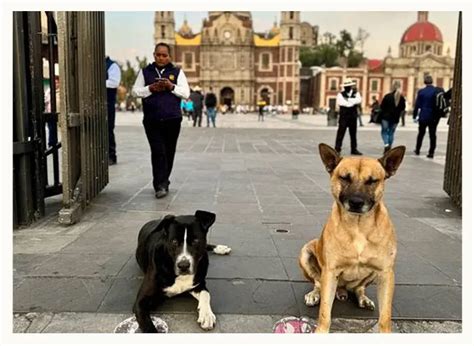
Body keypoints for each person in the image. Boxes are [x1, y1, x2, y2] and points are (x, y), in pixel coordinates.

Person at [132, 42, 190, 198]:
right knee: (158, 151)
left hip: (172, 119)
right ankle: (160, 185)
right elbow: (135, 92)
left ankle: (164, 181)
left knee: (169, 151)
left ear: (169, 56)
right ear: (154, 55)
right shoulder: (145, 72)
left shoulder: (177, 72)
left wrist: (171, 86)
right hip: (152, 120)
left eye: (164, 55)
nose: (161, 58)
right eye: (158, 55)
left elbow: (185, 93)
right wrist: (150, 89)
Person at [413, 75, 441, 159]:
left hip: (423, 115)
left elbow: (417, 105)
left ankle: (417, 149)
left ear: (425, 82)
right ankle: (431, 152)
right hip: (433, 116)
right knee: (432, 134)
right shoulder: (436, 91)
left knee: (421, 133)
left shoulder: (421, 91)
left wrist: (415, 115)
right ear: (432, 81)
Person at [334, 78, 363, 155]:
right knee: (340, 133)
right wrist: (352, 102)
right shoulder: (340, 94)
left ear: (351, 86)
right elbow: (341, 103)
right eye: (346, 86)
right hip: (343, 117)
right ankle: (337, 149)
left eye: (348, 86)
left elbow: (359, 100)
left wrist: (348, 101)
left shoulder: (356, 93)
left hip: (353, 116)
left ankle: (354, 149)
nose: (347, 87)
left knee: (353, 134)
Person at [380, 81, 406, 153]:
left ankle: (386, 144)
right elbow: (403, 108)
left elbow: (382, 106)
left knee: (384, 132)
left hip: (385, 117)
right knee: (391, 132)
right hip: (395, 118)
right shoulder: (401, 98)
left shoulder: (387, 96)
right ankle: (390, 147)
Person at [106, 56, 121, 165]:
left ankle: (111, 155)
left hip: (107, 104)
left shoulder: (112, 65)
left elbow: (114, 83)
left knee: (108, 129)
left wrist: (96, 82)